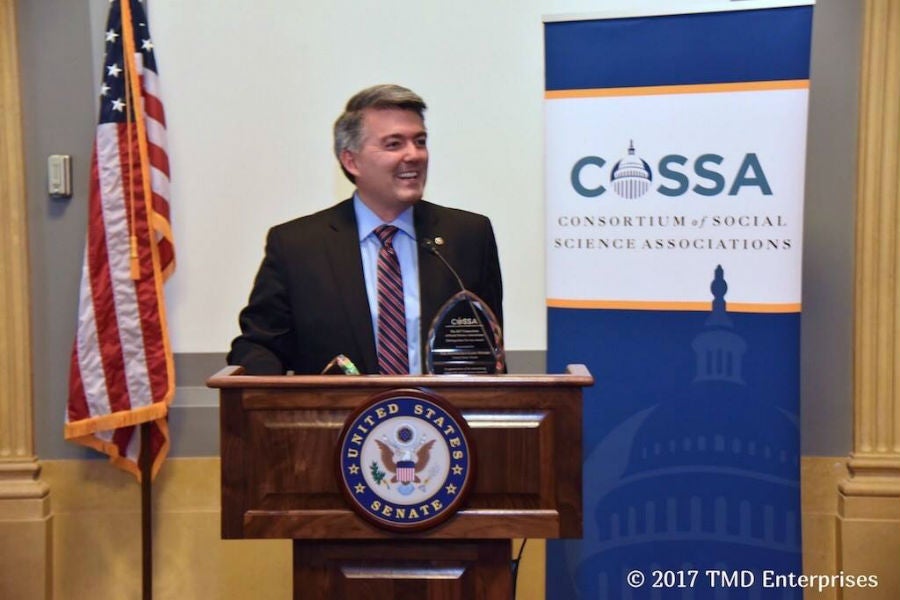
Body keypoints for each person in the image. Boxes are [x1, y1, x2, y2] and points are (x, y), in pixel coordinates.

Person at [227, 84, 503, 375]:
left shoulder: (468, 236)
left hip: (441, 417)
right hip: (338, 418)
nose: (414, 155)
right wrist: (266, 395)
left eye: (420, 141)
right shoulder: (297, 246)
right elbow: (260, 345)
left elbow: (489, 348)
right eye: (394, 144)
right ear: (351, 160)